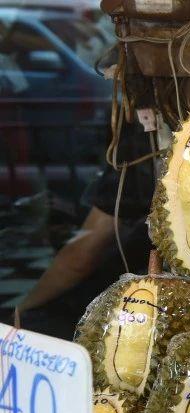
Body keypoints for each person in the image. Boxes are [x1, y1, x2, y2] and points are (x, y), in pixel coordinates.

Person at [14, 119, 155, 340]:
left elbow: (80, 258)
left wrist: (18, 311)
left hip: (125, 300)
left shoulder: (138, 147)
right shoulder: (140, 144)